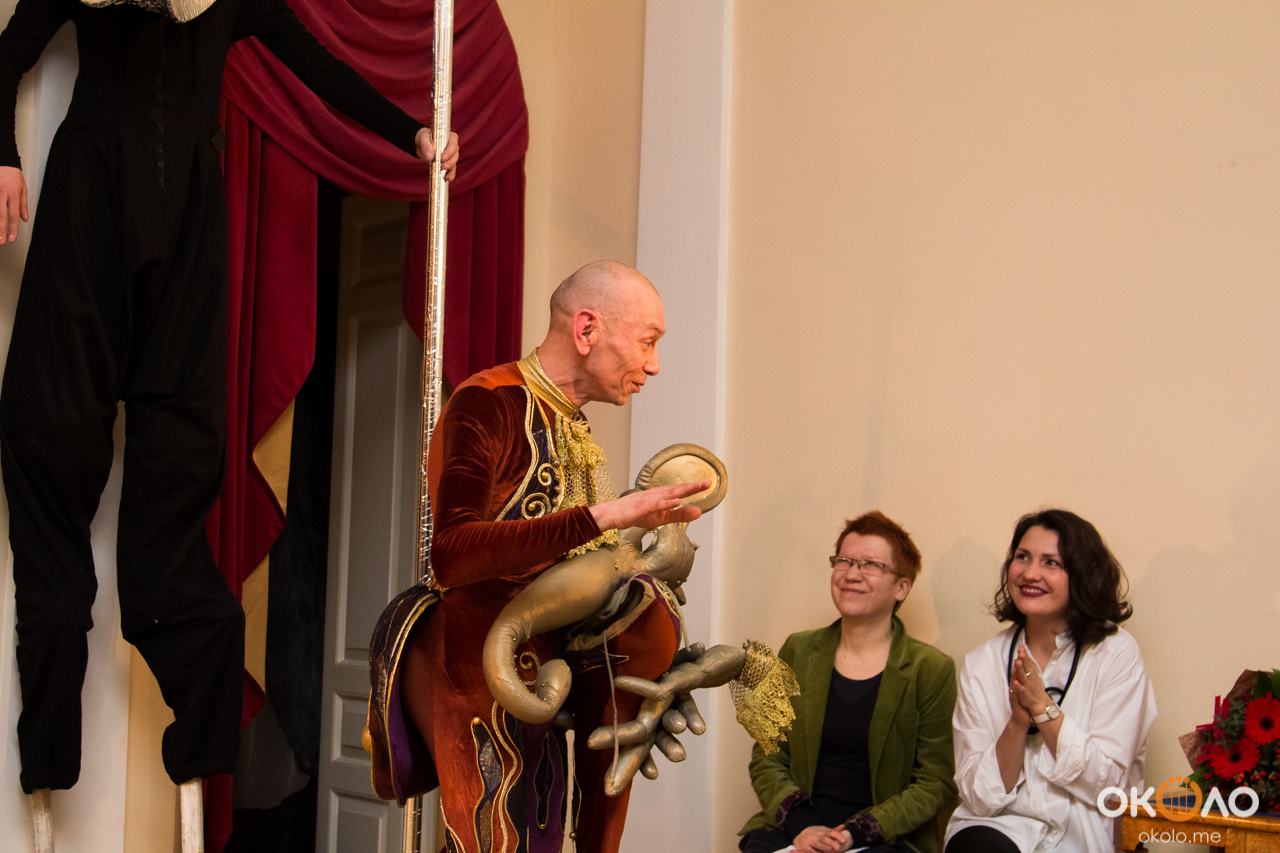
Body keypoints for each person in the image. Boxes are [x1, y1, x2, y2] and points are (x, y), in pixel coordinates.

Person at [0, 0, 459, 797]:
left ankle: (205, 737)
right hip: (89, 202)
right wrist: (3, 156)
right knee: (52, 436)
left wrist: (410, 133)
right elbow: (7, 54)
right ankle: (48, 751)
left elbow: (317, 65)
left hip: (187, 219)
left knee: (181, 458)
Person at [390, 260, 708, 853]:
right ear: (587, 330)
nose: (654, 365)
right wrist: (609, 515)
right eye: (647, 341)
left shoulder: (567, 420)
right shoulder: (489, 401)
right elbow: (452, 555)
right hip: (478, 661)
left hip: (546, 666)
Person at [739, 510, 958, 853]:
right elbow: (767, 755)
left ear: (902, 586)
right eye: (843, 561)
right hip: (797, 831)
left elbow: (935, 783)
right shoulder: (797, 649)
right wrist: (801, 826)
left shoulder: (930, 669)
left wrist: (854, 834)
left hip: (883, 840)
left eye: (871, 565)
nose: (852, 574)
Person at [945, 509, 1157, 853]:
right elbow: (978, 797)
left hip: (1081, 834)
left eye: (1051, 563)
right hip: (999, 828)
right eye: (1022, 557)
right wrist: (1017, 723)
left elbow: (1107, 785)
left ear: (1083, 576)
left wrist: (1043, 708)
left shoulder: (1115, 653)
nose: (1030, 573)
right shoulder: (982, 663)